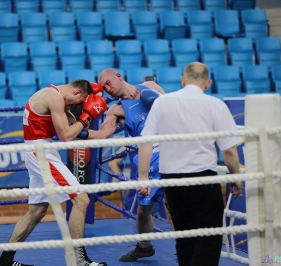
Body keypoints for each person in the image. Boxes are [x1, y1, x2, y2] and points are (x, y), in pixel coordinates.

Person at [138, 62, 243, 266]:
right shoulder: (215, 104)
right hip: (203, 178)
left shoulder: (162, 102)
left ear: (183, 80)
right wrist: (236, 177)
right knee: (210, 238)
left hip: (172, 180)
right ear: (208, 83)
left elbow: (146, 141)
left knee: (184, 236)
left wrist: (143, 177)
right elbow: (229, 150)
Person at [0, 80, 108, 266]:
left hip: (39, 151)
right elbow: (66, 136)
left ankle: (5, 261)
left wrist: (85, 117)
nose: (76, 106)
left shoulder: (56, 94)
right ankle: (80, 261)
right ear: (77, 91)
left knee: (37, 211)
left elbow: (76, 127)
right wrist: (87, 116)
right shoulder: (54, 97)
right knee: (81, 199)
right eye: (78, 102)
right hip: (41, 153)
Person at [88, 68, 167, 262]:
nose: (108, 89)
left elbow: (175, 108)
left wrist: (159, 101)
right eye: (104, 87)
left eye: (108, 83)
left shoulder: (150, 87)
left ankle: (186, 247)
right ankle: (144, 247)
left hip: (169, 154)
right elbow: (102, 135)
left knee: (175, 204)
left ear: (118, 76)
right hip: (145, 163)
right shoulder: (116, 109)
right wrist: (76, 130)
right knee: (142, 211)